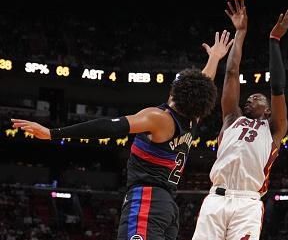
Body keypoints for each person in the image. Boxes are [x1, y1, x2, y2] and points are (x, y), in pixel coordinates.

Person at [11, 30, 234, 240]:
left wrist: (53, 133)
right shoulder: (191, 119)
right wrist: (214, 58)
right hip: (168, 207)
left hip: (147, 200)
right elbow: (204, 83)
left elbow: (110, 126)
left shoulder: (159, 118)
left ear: (177, 90)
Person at [192, 0, 288, 240]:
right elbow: (232, 71)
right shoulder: (231, 118)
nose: (249, 99)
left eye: (257, 98)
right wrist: (240, 32)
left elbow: (277, 86)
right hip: (215, 199)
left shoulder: (275, 129)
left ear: (268, 110)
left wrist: (274, 41)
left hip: (247, 203)